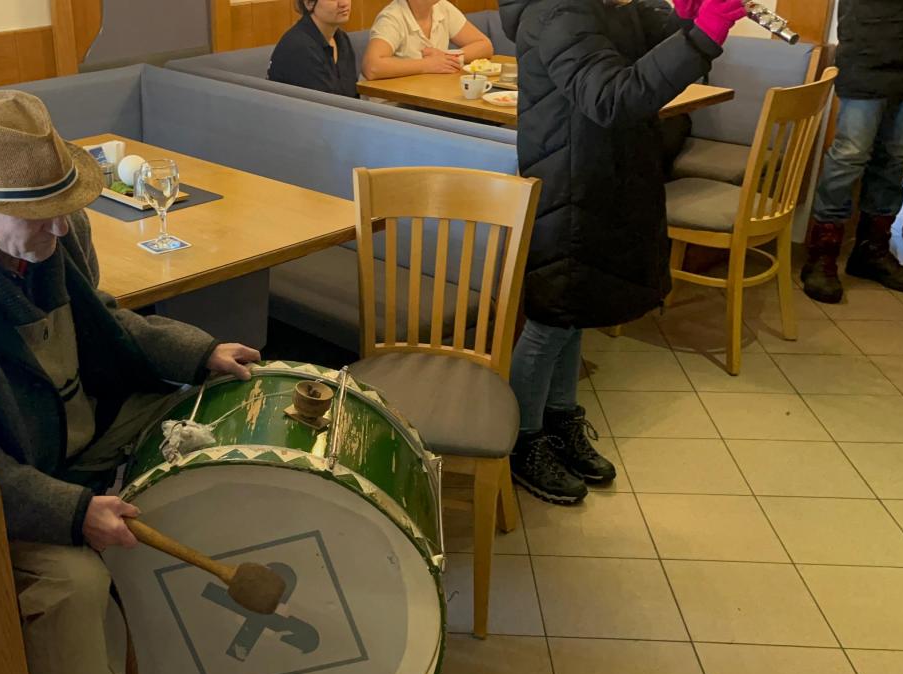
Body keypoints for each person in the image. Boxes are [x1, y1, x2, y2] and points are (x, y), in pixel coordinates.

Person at [0, 90, 260, 674]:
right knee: (75, 585)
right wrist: (71, 511)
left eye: (64, 208)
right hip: (12, 481)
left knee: (214, 413)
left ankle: (199, 666)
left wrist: (200, 354)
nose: (61, 228)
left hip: (89, 430)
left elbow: (104, 320)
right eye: (39, 215)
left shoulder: (61, 231)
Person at [498, 0, 745, 504]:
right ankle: (523, 442)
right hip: (569, 182)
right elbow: (611, 96)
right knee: (551, 318)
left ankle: (560, 420)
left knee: (576, 312)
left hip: (601, 174)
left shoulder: (605, 7)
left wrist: (686, 16)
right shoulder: (557, 13)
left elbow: (649, 53)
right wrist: (702, 35)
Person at [800, 0, 903, 303]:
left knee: (896, 156)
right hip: (867, 53)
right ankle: (822, 254)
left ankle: (872, 250)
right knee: (849, 156)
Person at [361, 0, 495, 80]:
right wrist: (427, 65)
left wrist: (445, 57)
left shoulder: (443, 7)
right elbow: (372, 67)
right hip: (391, 109)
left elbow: (485, 45)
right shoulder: (392, 17)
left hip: (428, 100)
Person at [269, 0, 359, 97]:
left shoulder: (341, 39)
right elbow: (323, 102)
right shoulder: (300, 48)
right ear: (309, 3)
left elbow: (351, 95)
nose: (344, 3)